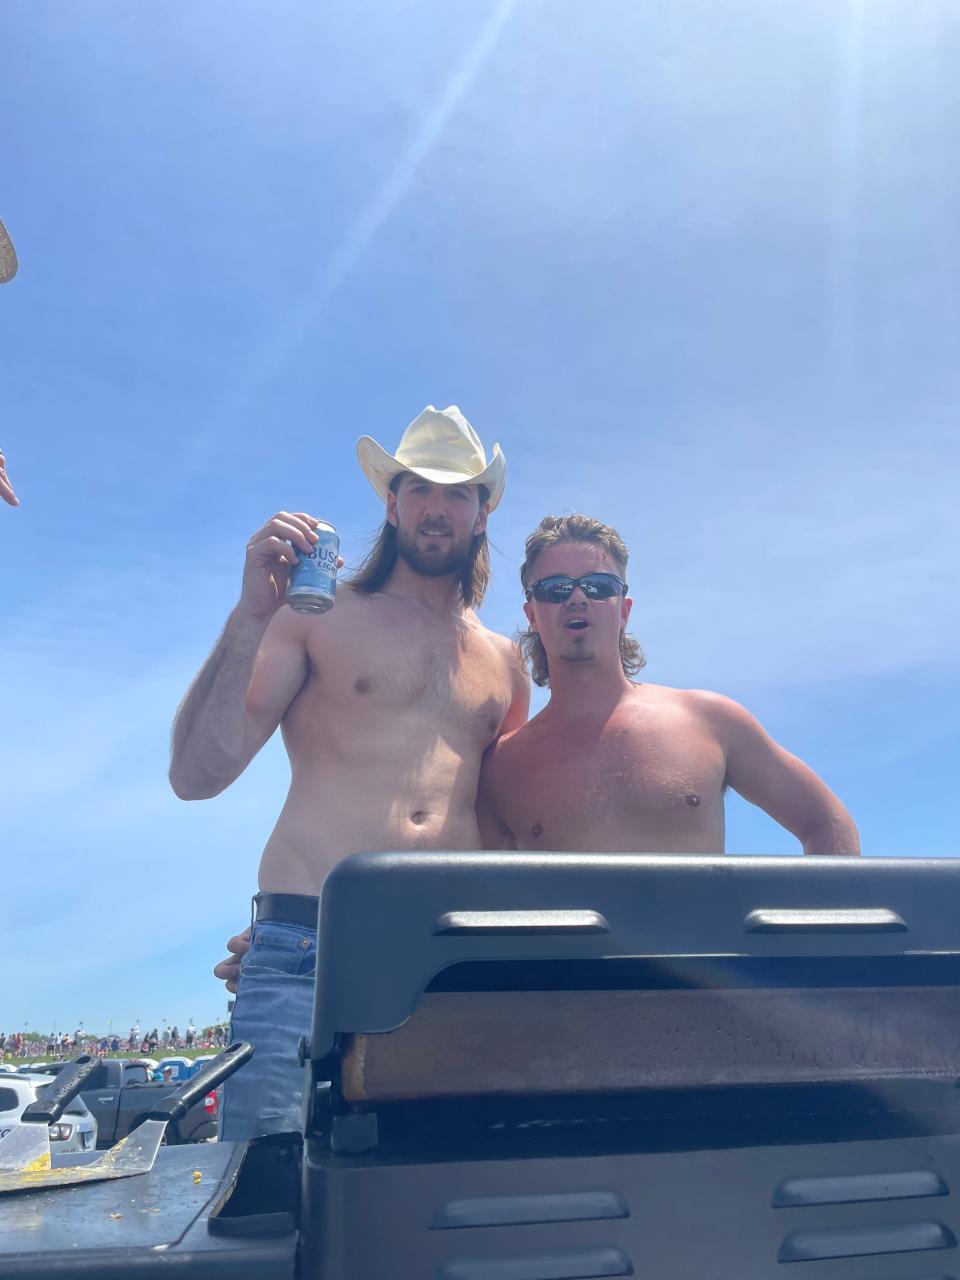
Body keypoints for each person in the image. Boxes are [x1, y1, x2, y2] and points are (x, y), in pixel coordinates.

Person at [170, 406, 529, 1139]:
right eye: (419, 488)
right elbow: (196, 775)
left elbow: (507, 829)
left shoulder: (506, 662)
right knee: (268, 1201)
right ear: (390, 503)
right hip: (307, 940)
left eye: (457, 491)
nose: (436, 507)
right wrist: (249, 616)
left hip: (442, 958)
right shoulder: (316, 615)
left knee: (418, 1195)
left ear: (482, 512)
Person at [479, 514, 860, 856]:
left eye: (598, 586)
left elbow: (826, 823)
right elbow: (485, 898)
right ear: (532, 614)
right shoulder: (504, 767)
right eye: (555, 589)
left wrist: (818, 932)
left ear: (624, 609)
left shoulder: (709, 721)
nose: (578, 598)